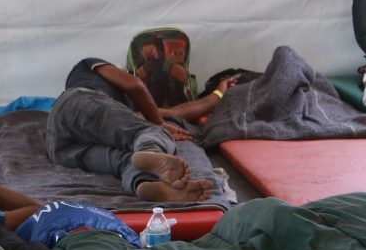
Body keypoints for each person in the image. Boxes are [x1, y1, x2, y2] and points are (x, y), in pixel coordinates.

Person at [46, 57, 234, 202]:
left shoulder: (124, 109)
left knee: (125, 161)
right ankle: (152, 151)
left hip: (60, 149)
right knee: (152, 132)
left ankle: (143, 184)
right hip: (78, 104)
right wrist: (158, 123)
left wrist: (219, 93)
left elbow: (175, 113)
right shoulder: (87, 66)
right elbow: (134, 84)